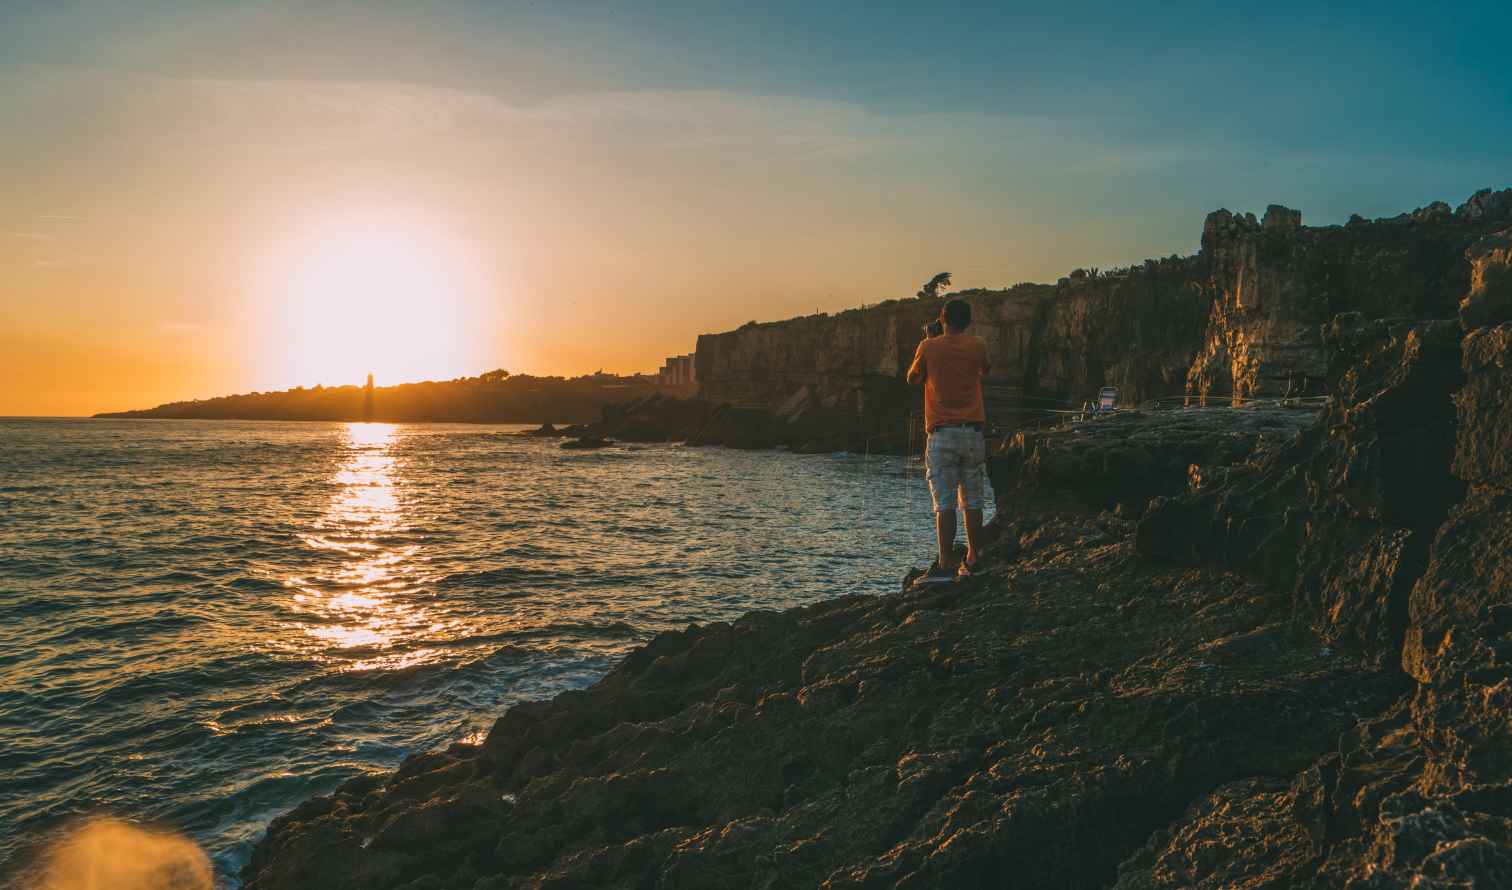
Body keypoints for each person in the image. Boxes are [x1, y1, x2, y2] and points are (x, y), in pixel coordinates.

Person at [906, 298, 990, 580]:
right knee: (973, 499)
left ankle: (945, 565)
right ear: (967, 321)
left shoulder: (928, 346)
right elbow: (984, 370)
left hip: (942, 433)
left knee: (945, 503)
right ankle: (975, 558)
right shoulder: (978, 345)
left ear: (942, 319)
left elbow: (913, 378)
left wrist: (931, 341)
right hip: (973, 433)